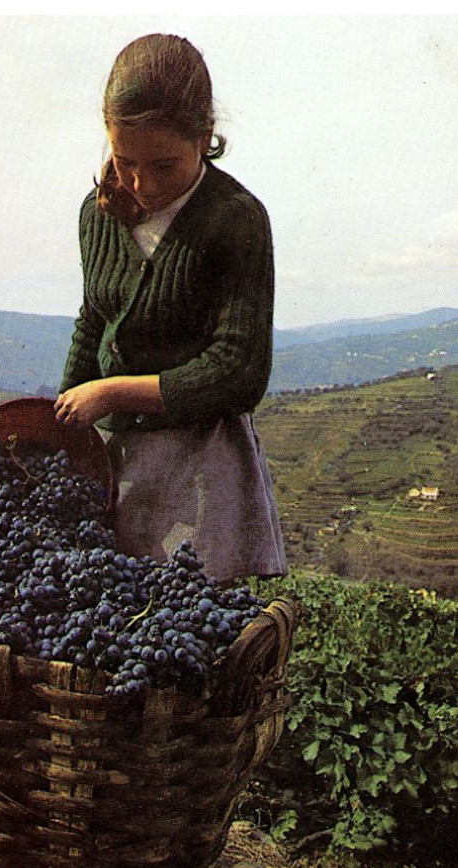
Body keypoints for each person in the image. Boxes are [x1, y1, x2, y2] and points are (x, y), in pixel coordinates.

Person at [54, 32, 287, 584]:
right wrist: (62, 423)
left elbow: (239, 371)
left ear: (205, 136)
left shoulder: (235, 219)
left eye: (163, 165)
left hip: (199, 468)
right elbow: (94, 321)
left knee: (184, 628)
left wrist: (112, 392)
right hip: (116, 464)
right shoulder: (98, 213)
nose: (141, 183)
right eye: (125, 161)